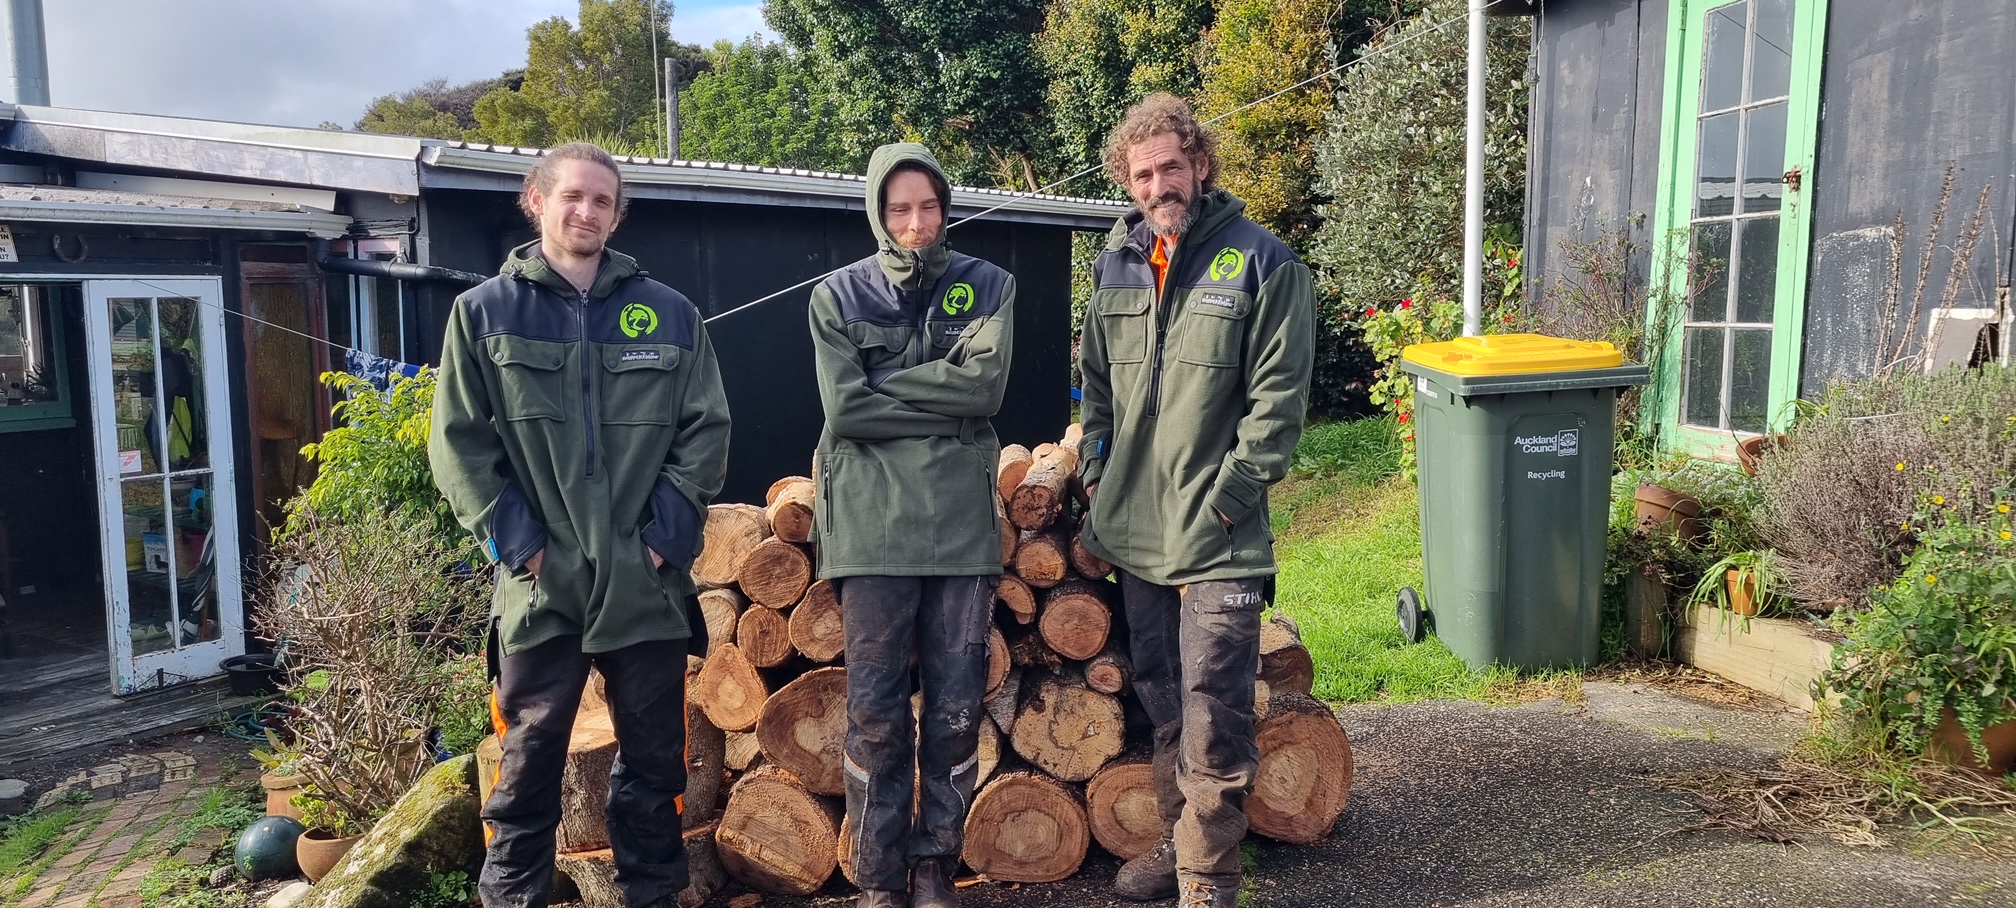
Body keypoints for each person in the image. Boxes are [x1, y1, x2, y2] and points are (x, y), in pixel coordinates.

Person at [429, 142, 732, 908]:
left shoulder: (668, 314)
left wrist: (665, 542)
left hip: (645, 587)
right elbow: (459, 446)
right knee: (526, 776)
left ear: (618, 214)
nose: (586, 211)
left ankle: (653, 898)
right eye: (572, 196)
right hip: (542, 590)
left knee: (655, 776)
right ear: (537, 201)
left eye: (602, 200)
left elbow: (705, 432)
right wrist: (523, 551)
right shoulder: (484, 314)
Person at [1074, 93, 1315, 908]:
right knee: (1163, 695)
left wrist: (1228, 499)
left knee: (1215, 709)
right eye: (1142, 173)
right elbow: (1096, 395)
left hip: (1219, 533)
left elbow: (1277, 409)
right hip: (1136, 530)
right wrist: (1098, 478)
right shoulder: (1113, 265)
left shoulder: (1262, 262)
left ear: (1200, 165)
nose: (1157, 184)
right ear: (1128, 181)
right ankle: (1178, 850)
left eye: (1171, 166)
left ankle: (1208, 881)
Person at [808, 142, 1015, 908]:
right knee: (875, 717)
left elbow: (986, 387)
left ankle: (935, 867)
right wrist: (942, 393)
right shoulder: (835, 296)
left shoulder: (991, 284)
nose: (916, 222)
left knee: (958, 712)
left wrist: (886, 387)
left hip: (960, 529)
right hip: (870, 531)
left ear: (945, 207)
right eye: (899, 208)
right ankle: (878, 879)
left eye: (928, 205)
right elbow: (845, 408)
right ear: (877, 212)